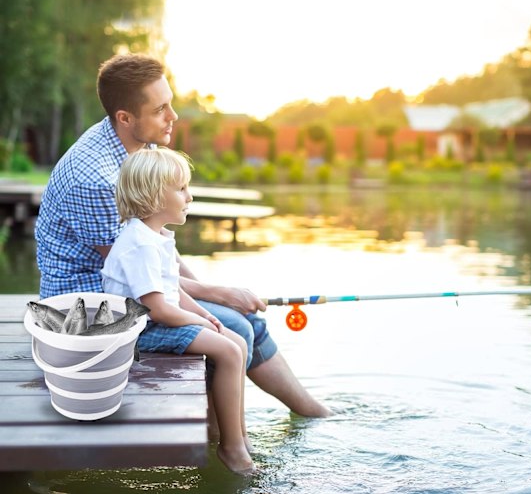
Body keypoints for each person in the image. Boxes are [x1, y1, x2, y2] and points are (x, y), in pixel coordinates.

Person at [35, 52, 330, 418]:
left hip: (135, 283)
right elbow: (134, 268)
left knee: (247, 320)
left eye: (170, 104)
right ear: (125, 118)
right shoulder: (95, 179)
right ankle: (220, 439)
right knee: (233, 325)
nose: (172, 117)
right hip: (91, 305)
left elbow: (156, 249)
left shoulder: (141, 144)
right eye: (161, 109)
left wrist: (210, 292)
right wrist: (215, 295)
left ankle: (309, 413)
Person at [102, 147, 254, 474]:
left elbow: (175, 289)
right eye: (181, 189)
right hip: (138, 330)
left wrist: (206, 315)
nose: (190, 196)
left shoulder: (156, 237)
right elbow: (158, 310)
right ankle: (232, 449)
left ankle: (234, 433)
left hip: (157, 319)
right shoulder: (139, 244)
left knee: (237, 343)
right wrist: (200, 320)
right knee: (228, 352)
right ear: (155, 196)